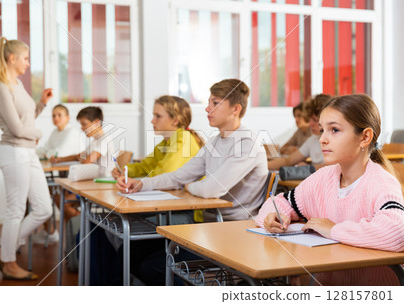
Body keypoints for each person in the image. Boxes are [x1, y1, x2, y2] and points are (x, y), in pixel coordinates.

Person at [117, 79, 269, 285]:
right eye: (209, 102)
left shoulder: (247, 143)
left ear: (235, 109)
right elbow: (180, 175)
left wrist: (189, 186)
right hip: (208, 227)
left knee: (152, 266)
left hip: (234, 232)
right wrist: (141, 184)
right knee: (130, 252)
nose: (207, 108)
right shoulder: (216, 141)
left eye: (215, 103)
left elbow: (211, 189)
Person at [256, 94, 404, 285]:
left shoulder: (381, 183)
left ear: (365, 137)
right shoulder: (323, 178)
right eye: (322, 130)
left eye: (334, 130)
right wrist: (274, 217)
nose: (322, 139)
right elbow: (280, 202)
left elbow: (396, 233)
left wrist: (333, 229)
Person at [89, 95, 205, 285]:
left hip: (185, 215)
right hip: (164, 208)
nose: (152, 120)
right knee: (117, 241)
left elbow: (167, 173)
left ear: (174, 120)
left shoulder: (184, 139)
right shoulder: (166, 144)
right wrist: (123, 172)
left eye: (158, 116)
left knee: (111, 231)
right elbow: (145, 167)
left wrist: (136, 180)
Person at [0, 37, 53, 280]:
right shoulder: (1, 86)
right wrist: (38, 135)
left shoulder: (17, 84)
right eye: (25, 58)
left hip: (28, 152)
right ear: (12, 58)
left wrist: (42, 104)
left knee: (44, 208)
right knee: (15, 210)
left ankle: (3, 251)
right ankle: (9, 261)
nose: (28, 64)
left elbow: (27, 119)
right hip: (14, 151)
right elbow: (17, 129)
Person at [50, 106, 116, 220]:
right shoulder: (96, 141)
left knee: (64, 202)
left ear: (96, 122)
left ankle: (87, 224)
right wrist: (60, 159)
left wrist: (83, 160)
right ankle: (83, 226)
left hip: (102, 186)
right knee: (58, 196)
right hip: (93, 184)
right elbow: (79, 156)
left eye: (84, 124)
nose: (82, 128)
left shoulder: (104, 140)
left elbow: (87, 162)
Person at [33, 104, 81, 244]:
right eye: (53, 115)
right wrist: (49, 153)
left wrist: (49, 153)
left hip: (77, 178)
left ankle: (77, 231)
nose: (56, 118)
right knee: (41, 191)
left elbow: (57, 154)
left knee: (56, 196)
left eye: (59, 115)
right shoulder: (55, 132)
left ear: (68, 118)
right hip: (64, 177)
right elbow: (44, 150)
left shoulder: (72, 132)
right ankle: (50, 231)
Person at [268, 94, 332, 171]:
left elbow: (335, 166)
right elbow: (288, 161)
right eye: (309, 119)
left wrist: (309, 168)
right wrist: (262, 165)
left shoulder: (337, 140)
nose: (310, 124)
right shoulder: (313, 139)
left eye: (315, 120)